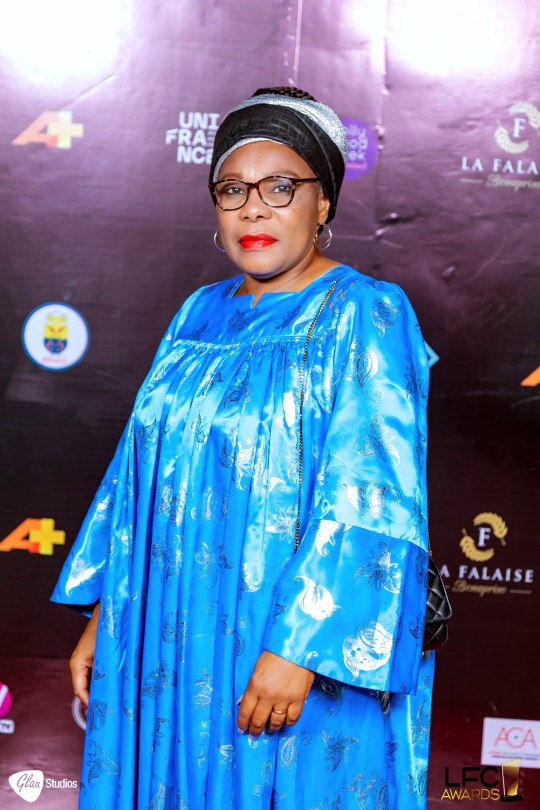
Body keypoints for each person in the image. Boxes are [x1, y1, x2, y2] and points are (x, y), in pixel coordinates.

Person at [51, 85, 435, 809]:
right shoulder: (198, 314)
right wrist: (109, 617)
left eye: (280, 186)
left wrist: (299, 648)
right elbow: (138, 475)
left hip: (287, 641)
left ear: (323, 203)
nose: (253, 208)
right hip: (166, 630)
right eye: (232, 189)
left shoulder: (364, 311)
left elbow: (372, 493)